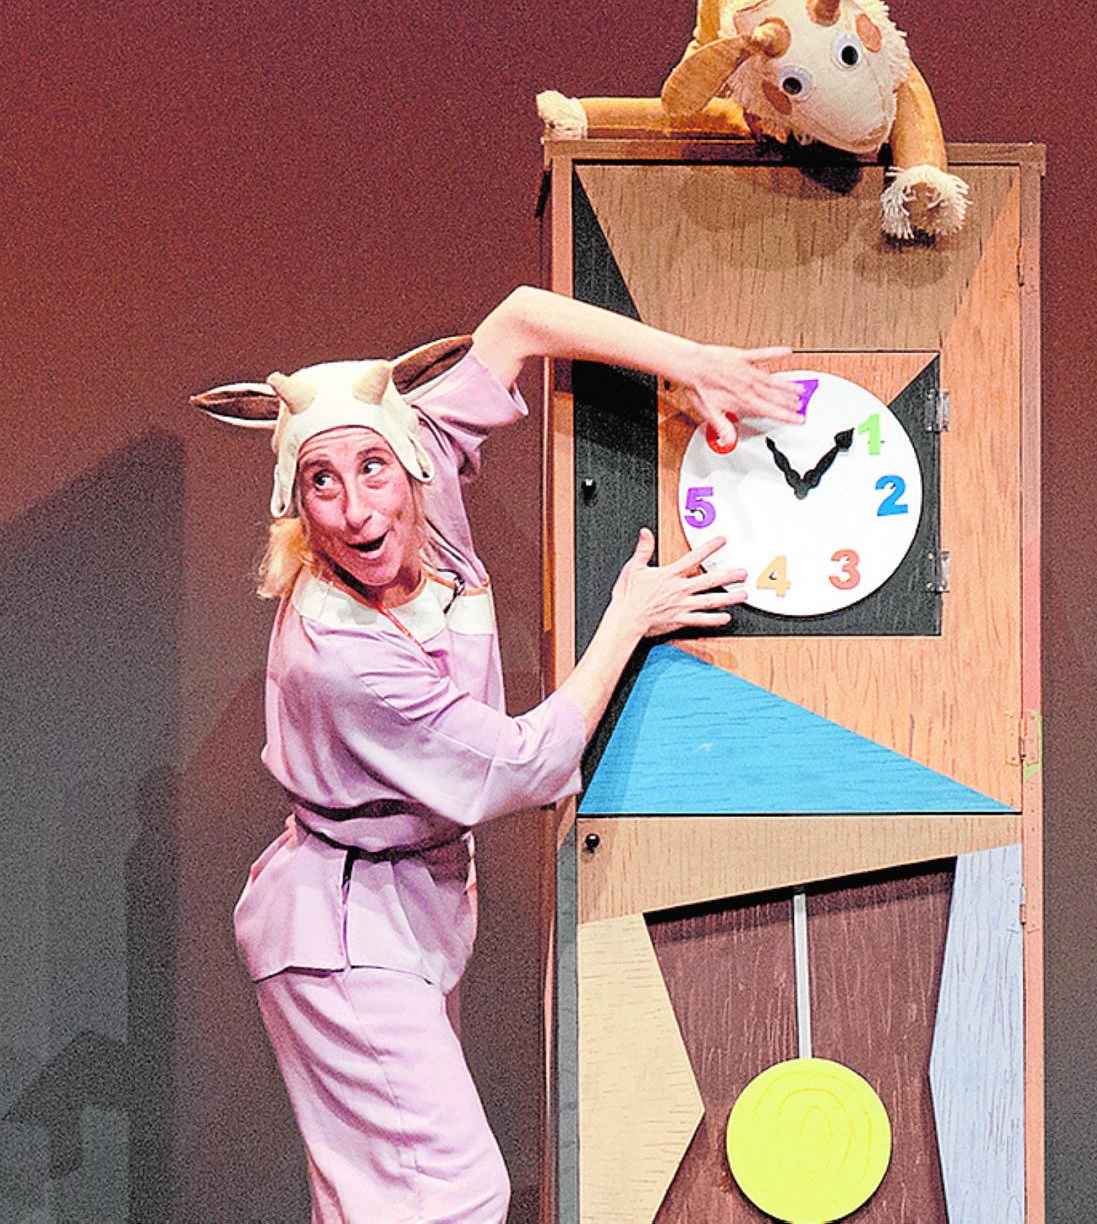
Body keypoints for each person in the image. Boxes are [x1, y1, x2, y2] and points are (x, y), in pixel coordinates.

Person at [192, 285, 802, 1223]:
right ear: (296, 502)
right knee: (453, 1195)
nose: (355, 510)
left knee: (380, 1201)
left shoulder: (422, 476)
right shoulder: (340, 658)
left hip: (408, 908)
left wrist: (691, 364)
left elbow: (518, 321)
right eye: (322, 483)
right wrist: (627, 621)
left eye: (371, 469)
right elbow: (524, 765)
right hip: (342, 933)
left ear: (407, 463)